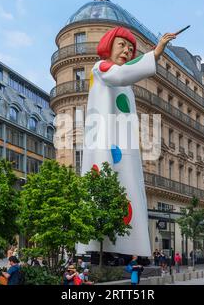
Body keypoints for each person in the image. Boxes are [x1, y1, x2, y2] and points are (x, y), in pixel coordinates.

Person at [76, 27, 176, 257]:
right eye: (121, 45)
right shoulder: (101, 67)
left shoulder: (124, 83)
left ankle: (126, 248)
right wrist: (156, 52)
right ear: (108, 46)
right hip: (106, 141)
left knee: (127, 185)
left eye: (130, 48)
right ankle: (104, 250)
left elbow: (124, 76)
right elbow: (121, 74)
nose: (127, 50)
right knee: (109, 176)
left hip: (122, 143)